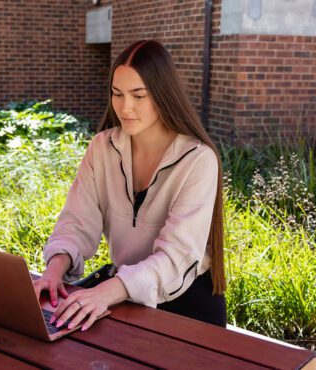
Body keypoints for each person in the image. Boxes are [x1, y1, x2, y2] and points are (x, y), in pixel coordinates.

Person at [33, 40, 227, 331]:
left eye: (139, 96)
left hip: (186, 305)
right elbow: (77, 221)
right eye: (117, 94)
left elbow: (175, 258)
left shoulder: (198, 160)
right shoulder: (103, 147)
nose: (125, 107)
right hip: (123, 297)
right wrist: (54, 271)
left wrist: (105, 292)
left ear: (163, 95)